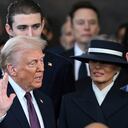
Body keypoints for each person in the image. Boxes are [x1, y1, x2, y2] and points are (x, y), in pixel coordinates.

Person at [5, 0, 75, 119]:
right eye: (22, 28)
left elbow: (66, 117)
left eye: (36, 26)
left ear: (42, 25)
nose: (30, 34)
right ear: (9, 29)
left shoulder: (61, 67)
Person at [58, 37, 128, 128]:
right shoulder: (68, 102)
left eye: (105, 62)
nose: (98, 66)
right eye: (94, 61)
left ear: (117, 68)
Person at [0, 36, 56, 128]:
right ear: (12, 69)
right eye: (33, 63)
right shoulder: (1, 99)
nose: (41, 69)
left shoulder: (46, 101)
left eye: (41, 61)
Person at [62, 1, 100, 89]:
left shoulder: (109, 62)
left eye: (92, 22)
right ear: (71, 26)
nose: (87, 27)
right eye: (80, 22)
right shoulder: (60, 60)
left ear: (98, 27)